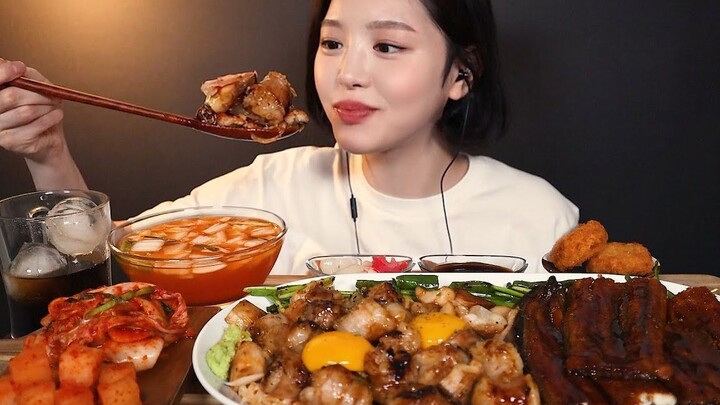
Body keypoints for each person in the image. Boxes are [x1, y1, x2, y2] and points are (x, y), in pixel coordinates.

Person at [0, 0, 578, 274]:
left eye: (388, 46)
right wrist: (49, 151)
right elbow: (102, 251)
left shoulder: (539, 215)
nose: (347, 72)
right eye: (332, 43)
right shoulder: (272, 185)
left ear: (460, 75)